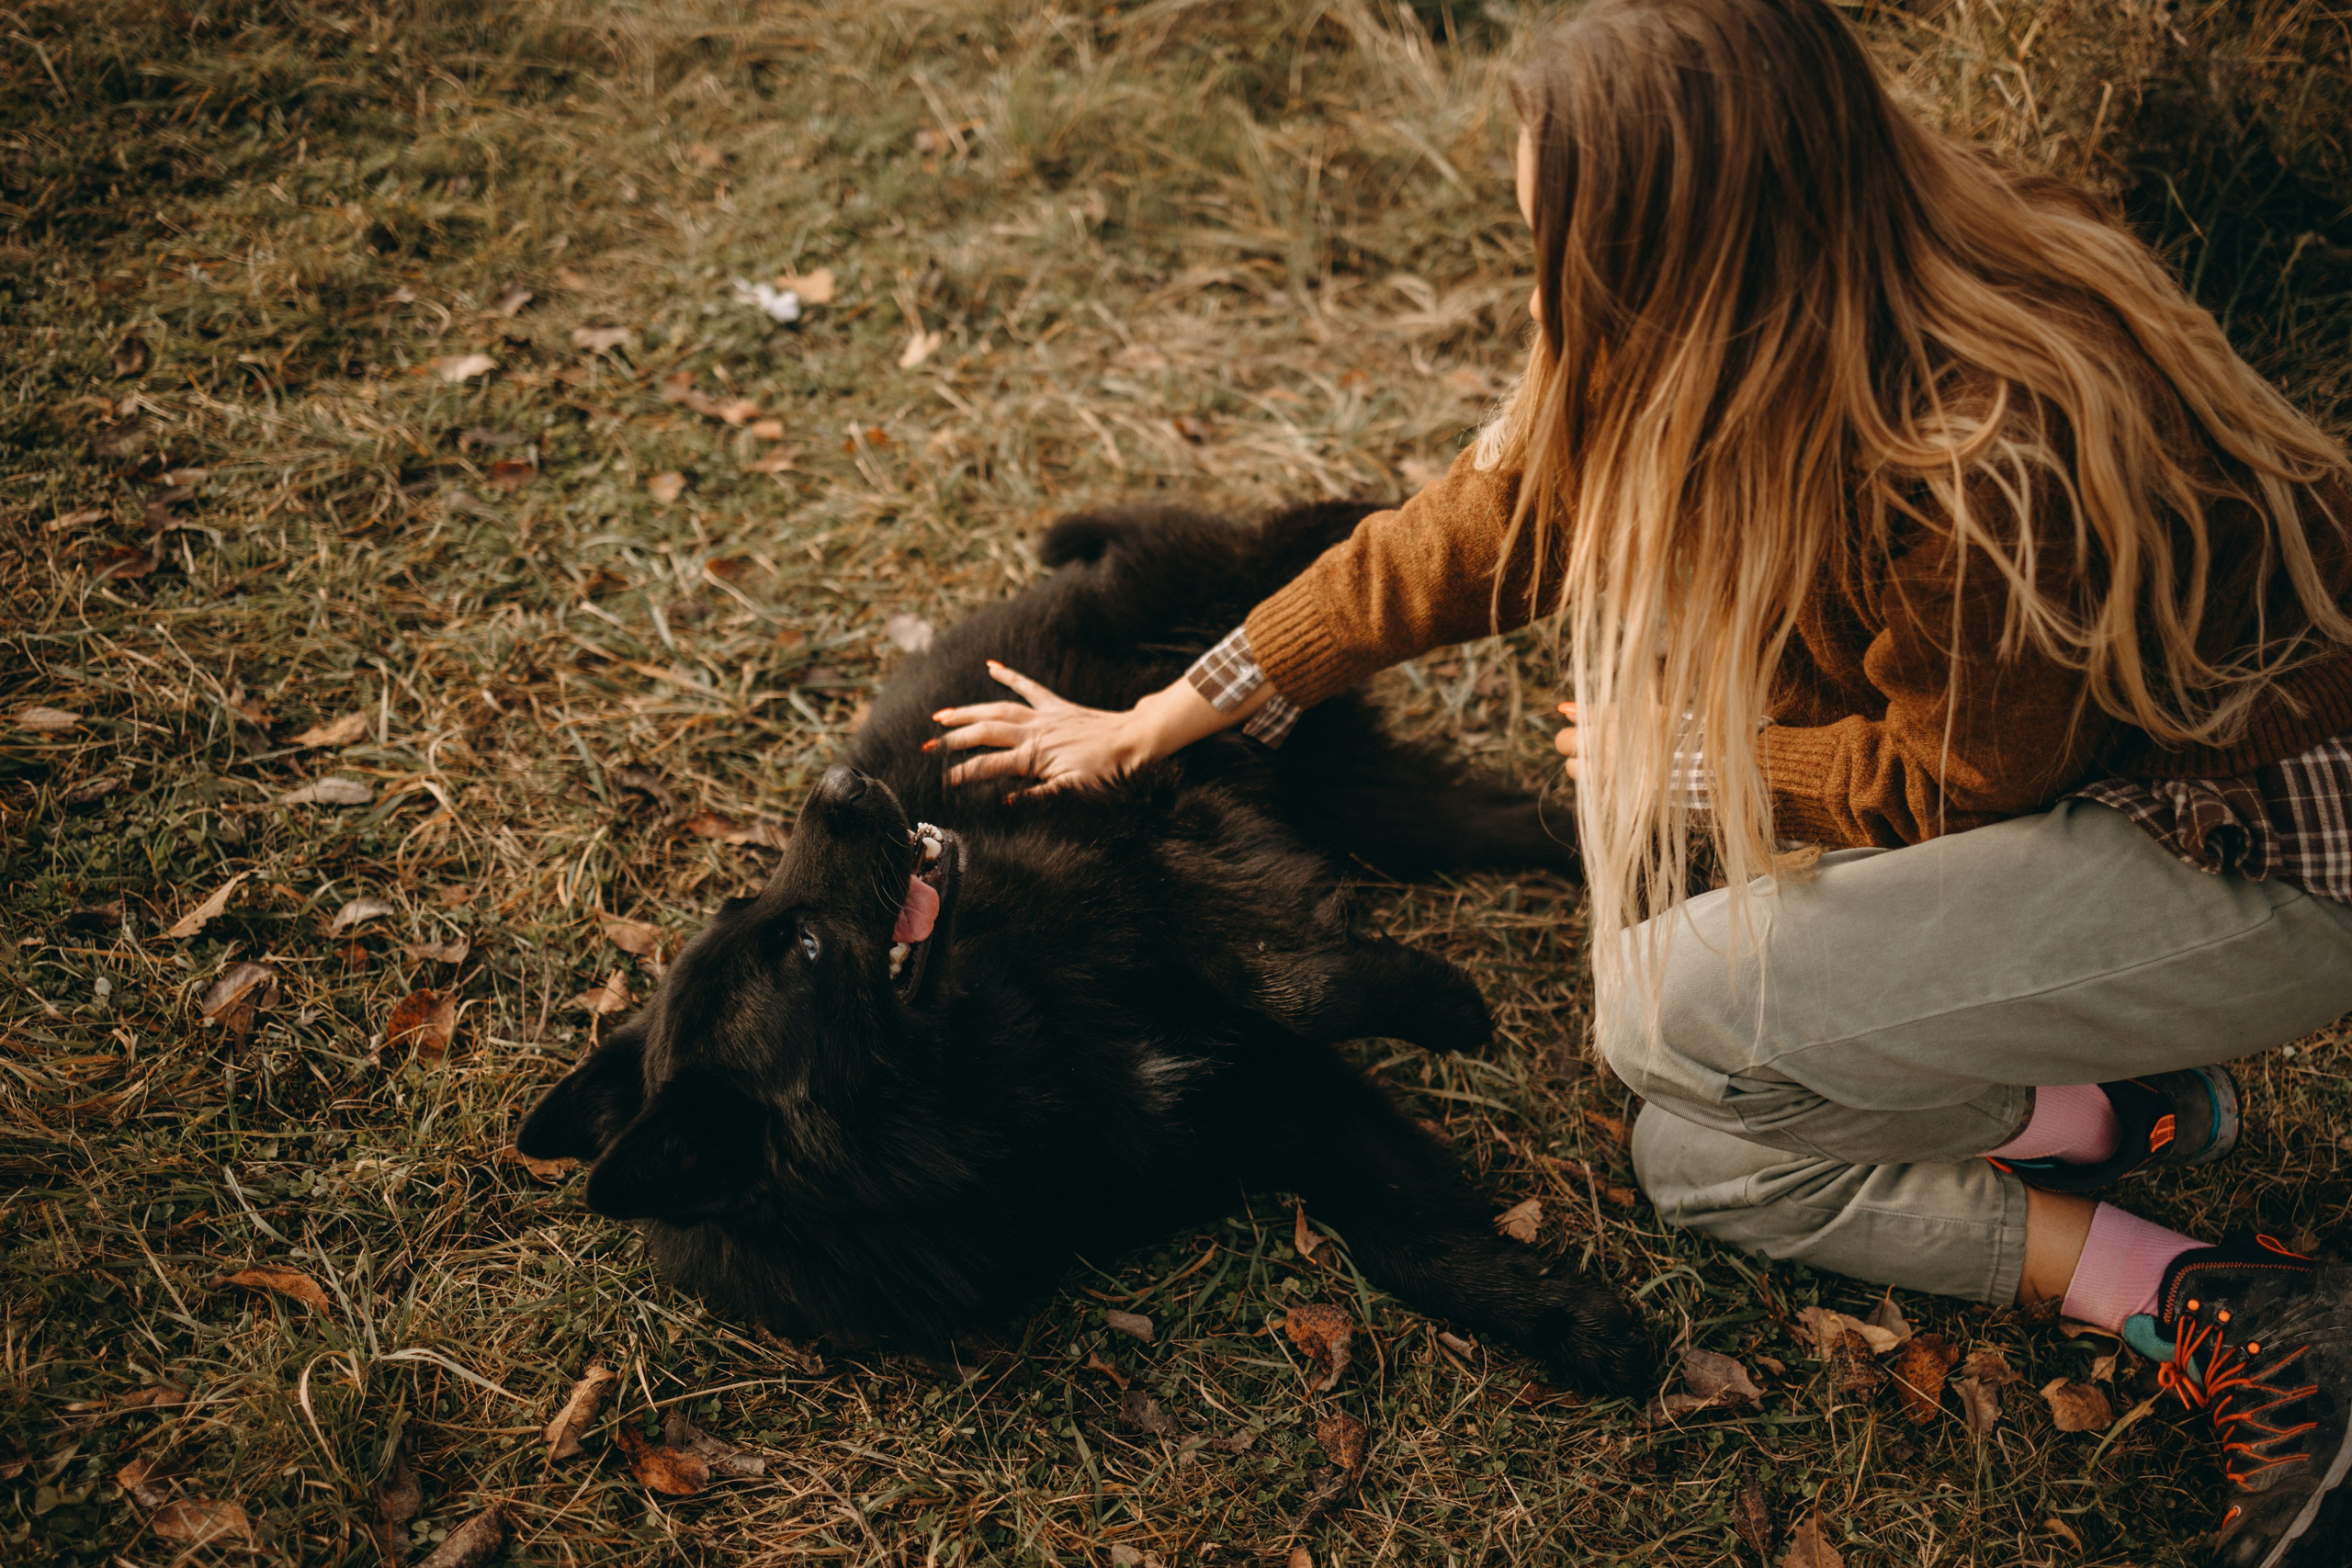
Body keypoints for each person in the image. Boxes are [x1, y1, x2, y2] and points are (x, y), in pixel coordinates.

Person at [933, 0, 2352, 1560]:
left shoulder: (1981, 447)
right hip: (2069, 802)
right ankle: (2169, 1233)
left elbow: (1964, 778)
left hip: (2254, 841)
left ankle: (2194, 1218)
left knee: (1676, 1016)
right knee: (1700, 1157)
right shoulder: (1757, 322)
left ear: (1697, 241)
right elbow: (1464, 533)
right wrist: (1164, 716)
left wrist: (1687, 764)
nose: (1548, 289)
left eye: (1571, 247)